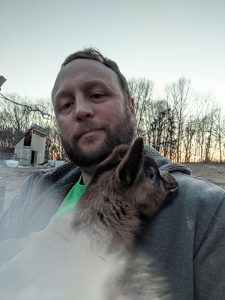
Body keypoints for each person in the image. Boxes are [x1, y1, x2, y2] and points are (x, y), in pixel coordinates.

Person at [0, 48, 225, 299]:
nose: (80, 110)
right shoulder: (31, 195)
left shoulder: (206, 210)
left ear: (131, 107)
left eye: (96, 95)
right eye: (65, 104)